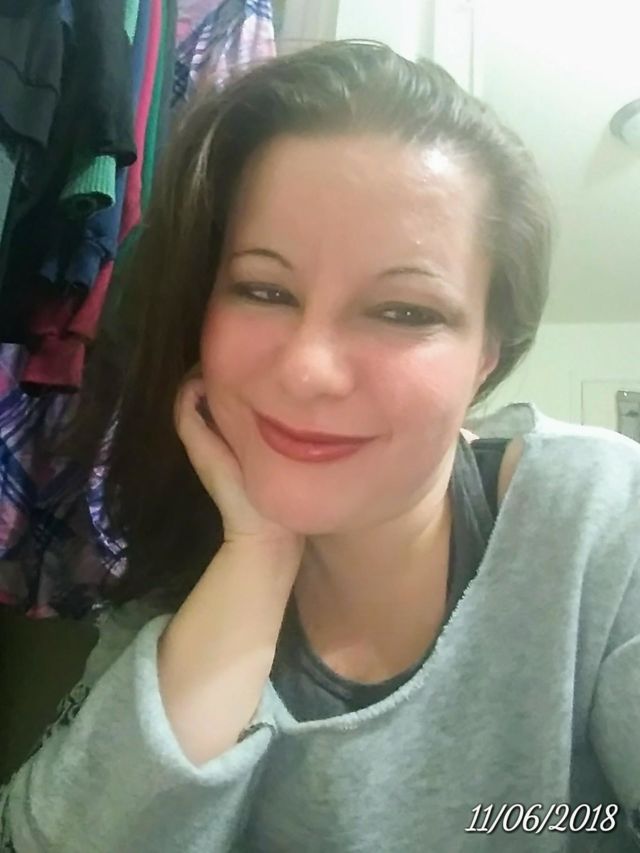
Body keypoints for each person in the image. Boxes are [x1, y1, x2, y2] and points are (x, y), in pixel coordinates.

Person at [1, 39, 639, 853]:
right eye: (263, 289)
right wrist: (260, 556)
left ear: (487, 354)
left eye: (404, 311)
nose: (307, 369)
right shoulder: (174, 583)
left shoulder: (601, 518)